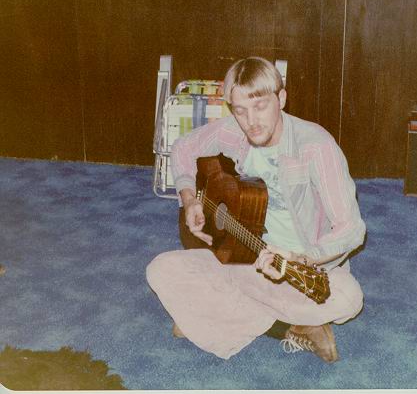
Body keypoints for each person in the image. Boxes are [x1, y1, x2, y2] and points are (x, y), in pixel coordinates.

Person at [146, 56, 366, 363]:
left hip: (299, 269)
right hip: (239, 259)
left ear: (282, 99)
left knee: (348, 299)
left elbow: (351, 229)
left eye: (260, 106)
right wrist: (190, 199)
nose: (251, 121)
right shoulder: (234, 130)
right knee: (159, 269)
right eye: (240, 110)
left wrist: (301, 258)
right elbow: (183, 147)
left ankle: (214, 314)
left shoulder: (316, 146)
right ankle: (287, 328)